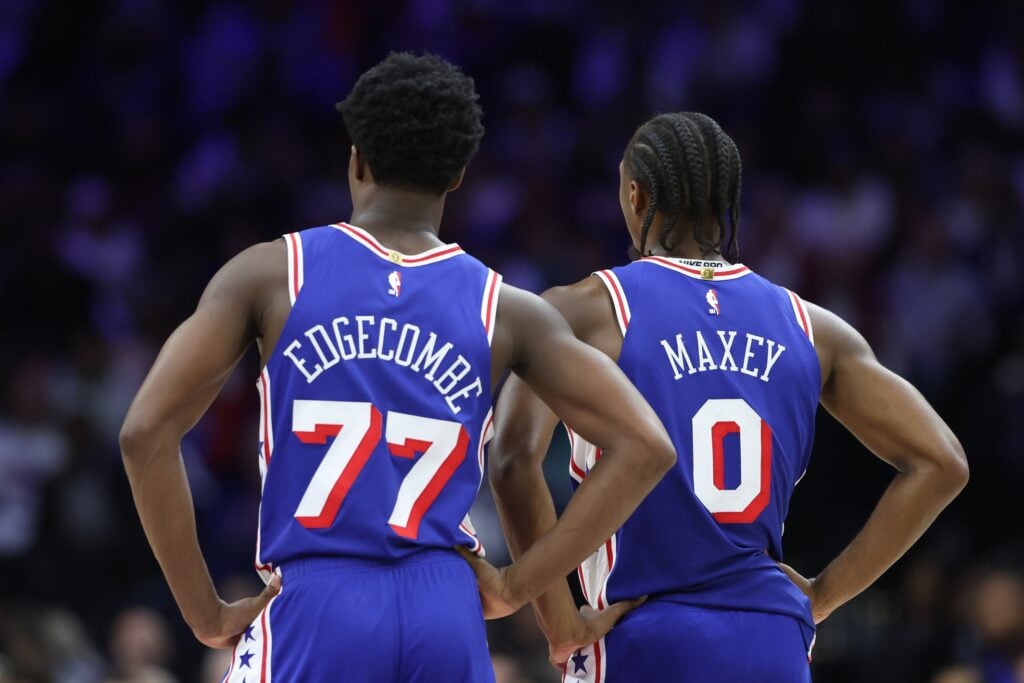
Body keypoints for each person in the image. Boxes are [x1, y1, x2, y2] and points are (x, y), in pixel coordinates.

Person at [118, 53, 677, 682]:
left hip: (317, 601)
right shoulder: (507, 309)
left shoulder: (273, 273)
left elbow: (144, 434)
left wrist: (204, 613)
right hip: (446, 608)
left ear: (356, 158)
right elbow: (646, 444)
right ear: (460, 174)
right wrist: (518, 584)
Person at [471, 112, 970, 682]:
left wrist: (559, 620)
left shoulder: (589, 311)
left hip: (644, 634)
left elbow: (513, 458)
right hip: (772, 641)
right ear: (726, 200)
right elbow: (942, 462)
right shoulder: (812, 327)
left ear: (635, 196)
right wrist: (824, 593)